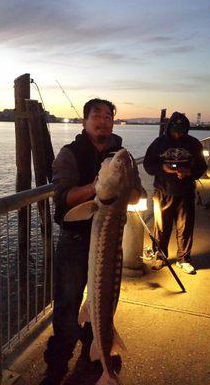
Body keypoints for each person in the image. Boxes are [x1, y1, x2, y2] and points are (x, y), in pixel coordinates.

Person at [41, 98, 144, 385]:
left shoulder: (120, 153)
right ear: (85, 121)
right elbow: (63, 199)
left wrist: (124, 188)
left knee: (105, 302)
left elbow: (137, 194)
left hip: (110, 244)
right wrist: (96, 189)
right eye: (96, 115)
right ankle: (57, 366)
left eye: (108, 116)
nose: (103, 120)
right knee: (66, 308)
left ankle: (95, 354)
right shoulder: (69, 153)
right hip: (75, 243)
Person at [143, 111, 207, 274]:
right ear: (169, 127)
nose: (178, 133)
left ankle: (184, 259)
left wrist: (189, 171)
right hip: (163, 191)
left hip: (185, 192)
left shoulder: (193, 144)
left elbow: (201, 167)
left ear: (186, 128)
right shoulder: (158, 143)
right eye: (175, 129)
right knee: (161, 227)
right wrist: (162, 168)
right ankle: (160, 256)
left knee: (185, 227)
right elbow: (148, 165)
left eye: (182, 129)